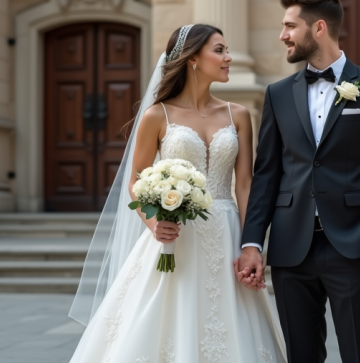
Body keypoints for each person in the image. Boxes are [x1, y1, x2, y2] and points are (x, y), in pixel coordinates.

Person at [68, 24, 286, 363]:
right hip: (176, 236)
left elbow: (245, 185)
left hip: (227, 232)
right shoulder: (158, 115)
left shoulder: (238, 115)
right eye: (220, 50)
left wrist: (251, 244)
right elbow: (137, 182)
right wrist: (155, 223)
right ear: (193, 59)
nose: (229, 57)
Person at [236, 0, 360, 363]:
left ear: (318, 28)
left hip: (353, 244)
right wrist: (253, 242)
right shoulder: (278, 94)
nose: (282, 35)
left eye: (289, 26)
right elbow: (266, 174)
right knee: (301, 356)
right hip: (290, 249)